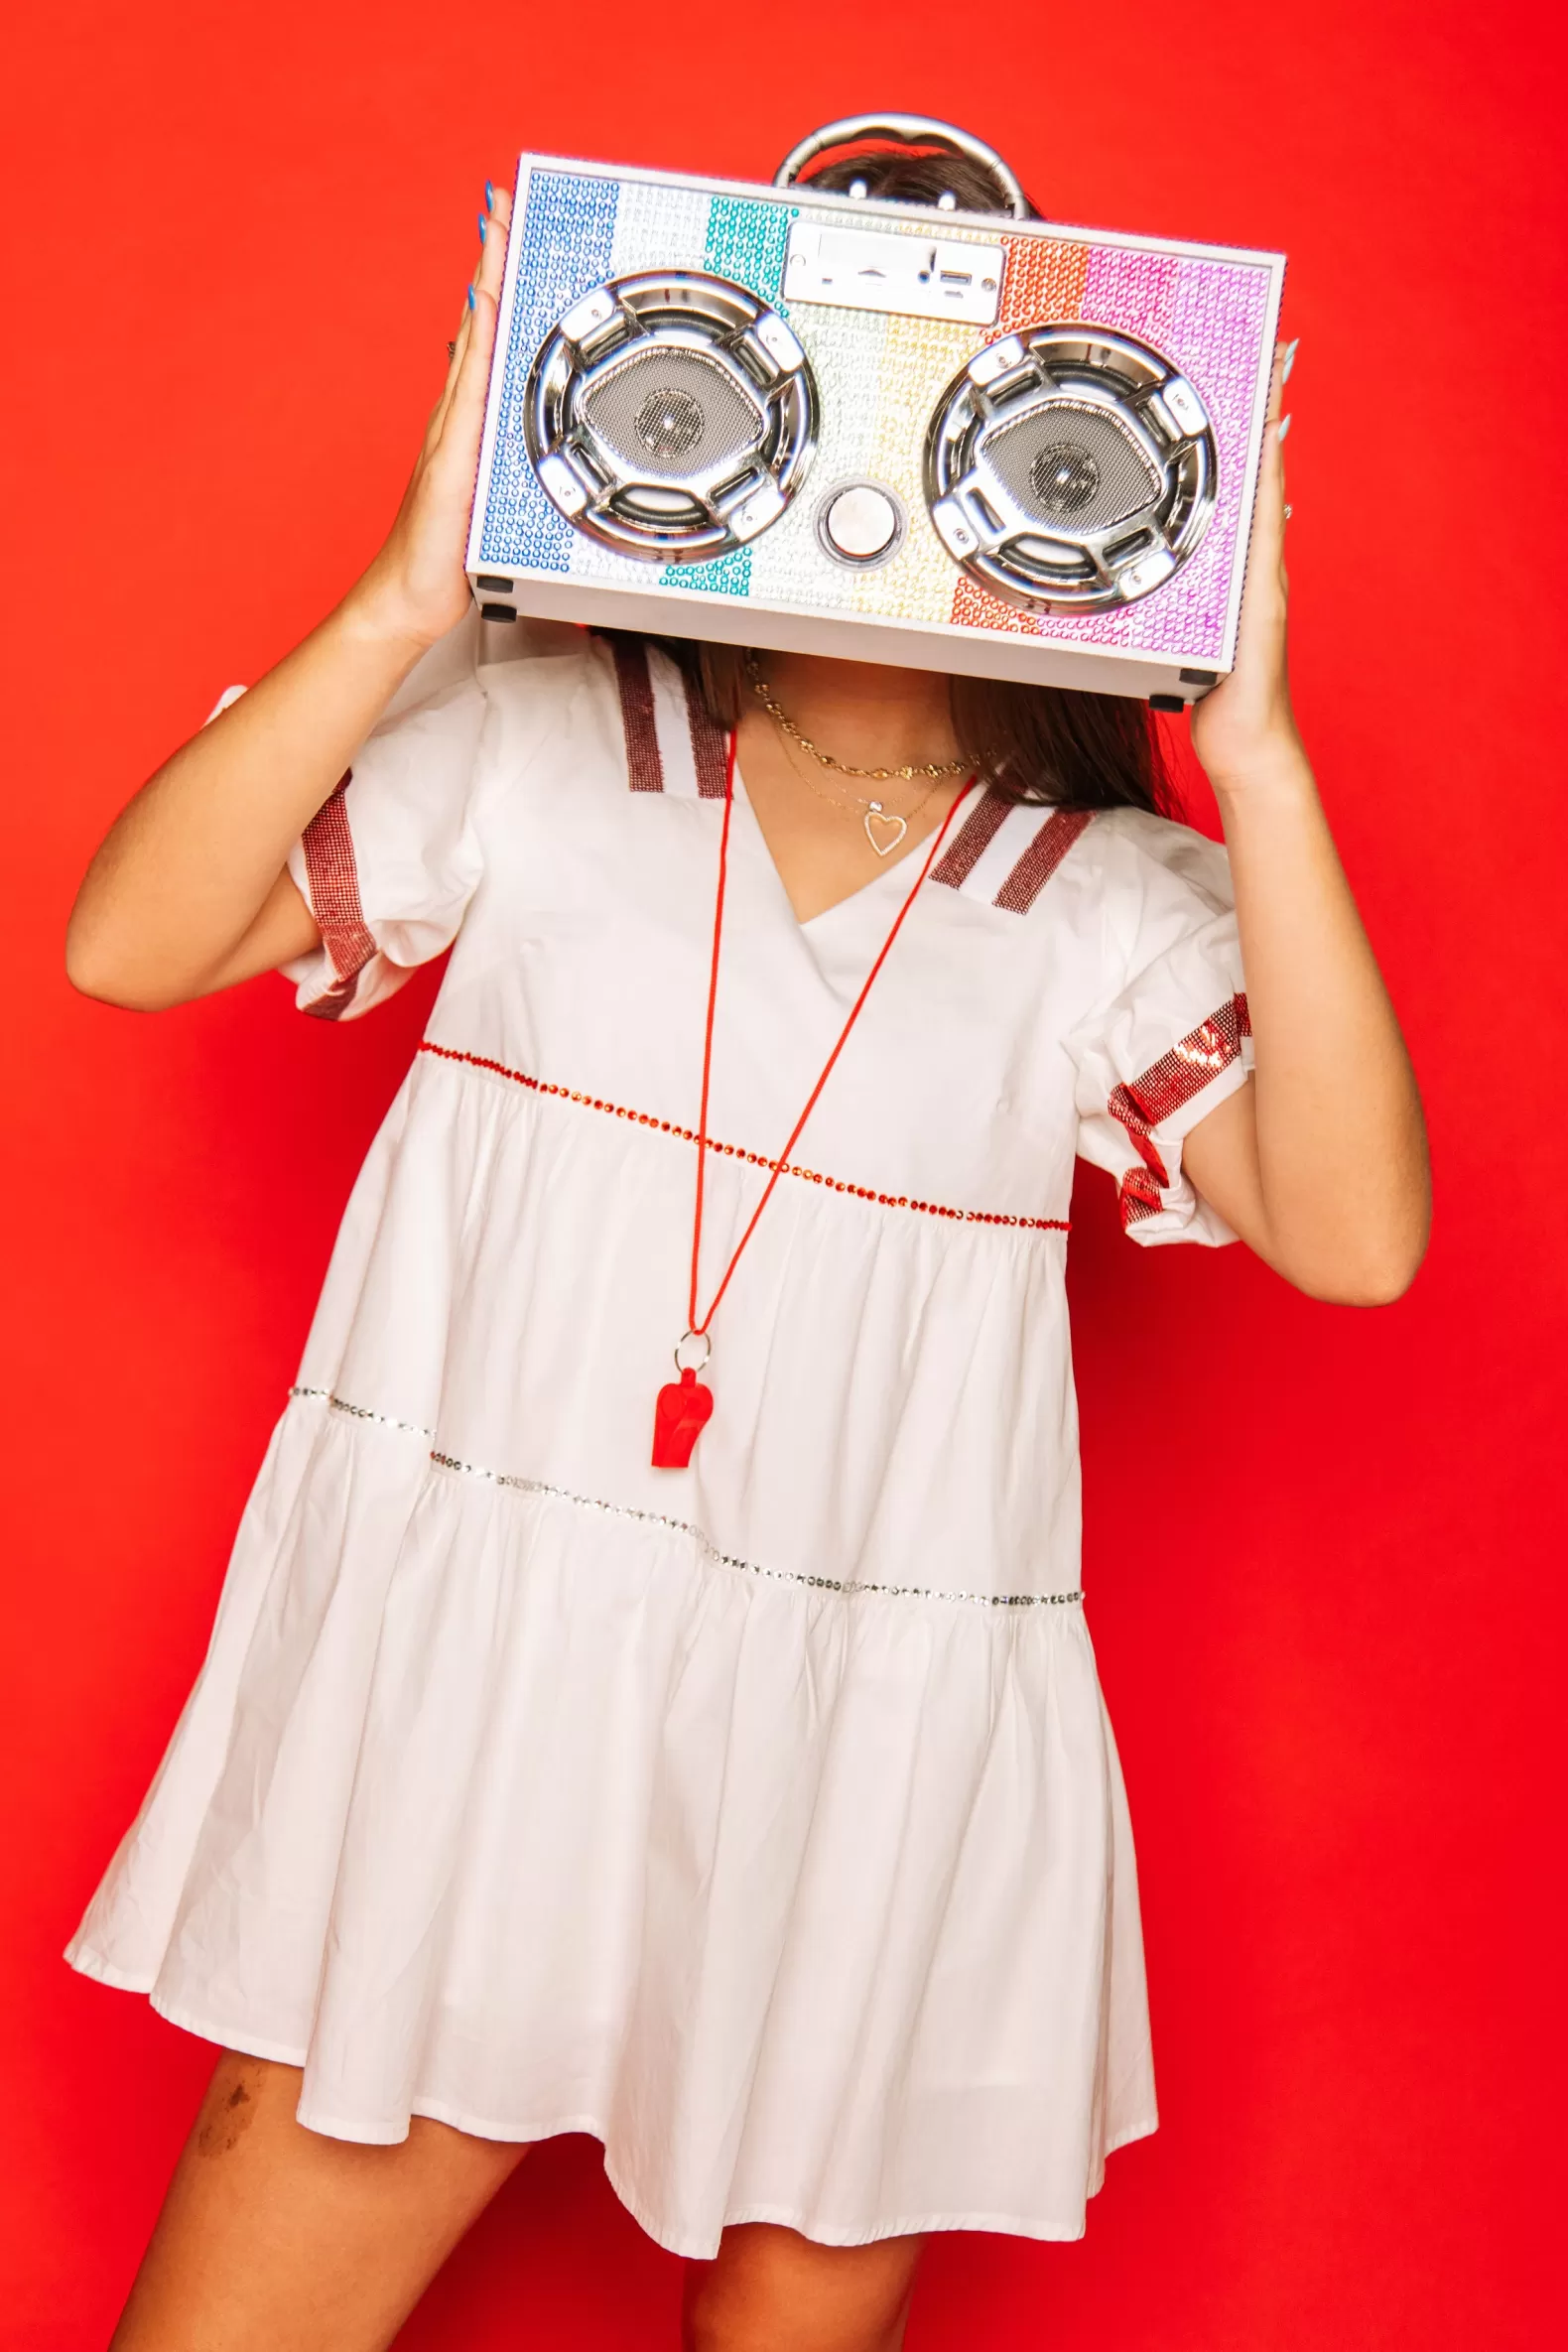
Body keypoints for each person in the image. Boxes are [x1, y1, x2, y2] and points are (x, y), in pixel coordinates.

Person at [63, 138, 1429, 2352]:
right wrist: (419, 591)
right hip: (481, 1703)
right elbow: (129, 945)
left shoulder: (1091, 907)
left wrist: (1249, 754)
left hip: (867, 1735)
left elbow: (1355, 1245)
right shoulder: (529, 752)